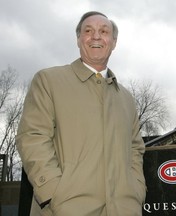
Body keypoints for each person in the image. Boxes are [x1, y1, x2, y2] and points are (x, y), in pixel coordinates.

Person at [16, 11, 146, 216]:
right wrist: (52, 192)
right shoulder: (49, 81)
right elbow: (32, 137)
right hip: (63, 209)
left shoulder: (127, 99)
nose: (96, 36)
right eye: (88, 31)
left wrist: (137, 189)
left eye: (104, 31)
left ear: (113, 42)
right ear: (78, 39)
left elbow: (136, 149)